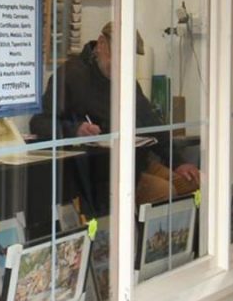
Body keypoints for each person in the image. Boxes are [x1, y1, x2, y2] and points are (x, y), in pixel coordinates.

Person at [30, 22, 199, 206]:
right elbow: (39, 122)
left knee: (193, 183)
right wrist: (75, 129)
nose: (121, 65)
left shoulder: (126, 79)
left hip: (136, 163)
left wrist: (178, 162)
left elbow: (152, 123)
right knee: (163, 193)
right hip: (101, 175)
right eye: (118, 56)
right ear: (101, 44)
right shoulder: (70, 76)